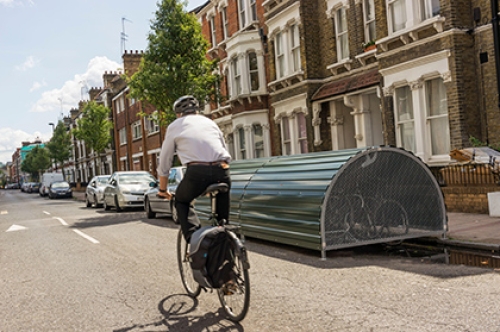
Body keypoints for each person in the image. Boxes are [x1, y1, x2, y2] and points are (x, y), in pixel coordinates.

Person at [156, 95, 232, 242]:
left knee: (181, 201)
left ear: (178, 114)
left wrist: (163, 190)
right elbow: (222, 147)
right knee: (223, 222)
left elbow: (165, 160)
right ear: (197, 110)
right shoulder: (210, 122)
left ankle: (195, 240)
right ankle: (225, 245)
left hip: (197, 172)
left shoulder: (175, 125)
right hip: (222, 170)